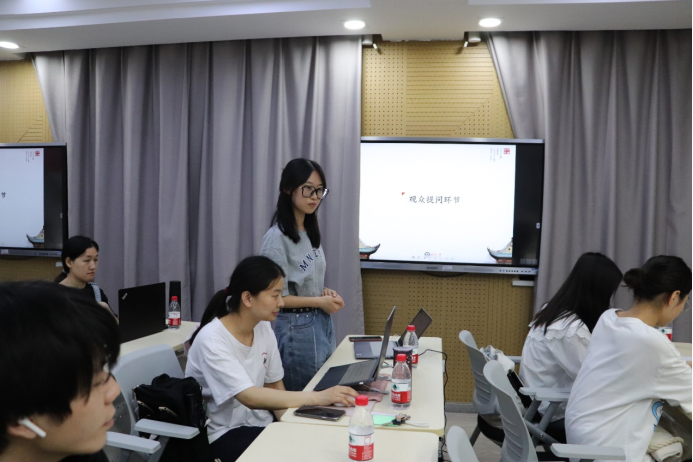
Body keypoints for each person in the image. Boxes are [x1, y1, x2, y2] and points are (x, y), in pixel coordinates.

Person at [185, 255, 358, 462]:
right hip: (223, 434)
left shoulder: (262, 326)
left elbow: (275, 386)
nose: (281, 303)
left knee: (316, 441)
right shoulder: (212, 340)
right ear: (247, 298)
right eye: (275, 296)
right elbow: (249, 397)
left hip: (261, 424)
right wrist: (318, 397)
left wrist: (290, 425)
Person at [565, 255, 692, 462]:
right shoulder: (652, 343)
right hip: (611, 452)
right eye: (685, 303)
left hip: (582, 439)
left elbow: (643, 366)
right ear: (674, 297)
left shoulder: (610, 318)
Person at [0, 281, 121, 462]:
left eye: (104, 369)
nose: (114, 391)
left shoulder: (78, 451)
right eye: (95, 382)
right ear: (18, 420)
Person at [260, 158, 345, 391]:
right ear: (288, 188)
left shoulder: (309, 232)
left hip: (320, 322)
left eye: (319, 190)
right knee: (306, 400)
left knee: (322, 393)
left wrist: (323, 292)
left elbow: (304, 280)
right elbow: (275, 298)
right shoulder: (276, 239)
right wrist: (319, 301)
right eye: (308, 189)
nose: (314, 197)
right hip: (296, 328)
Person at [520, 252, 623, 429]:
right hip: (553, 412)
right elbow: (593, 379)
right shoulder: (569, 330)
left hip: (540, 403)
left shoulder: (553, 311)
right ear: (599, 292)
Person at [55, 235, 117, 322]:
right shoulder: (55, 295)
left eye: (95, 260)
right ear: (69, 262)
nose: (93, 266)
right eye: (87, 260)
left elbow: (117, 327)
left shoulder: (96, 293)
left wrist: (107, 311)